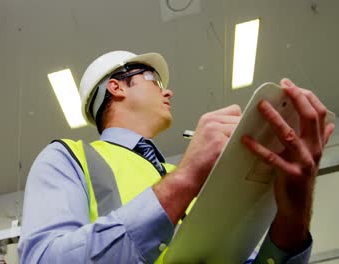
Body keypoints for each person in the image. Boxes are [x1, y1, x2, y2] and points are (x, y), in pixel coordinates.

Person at [18, 51, 335, 263]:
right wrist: (184, 180)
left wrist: (293, 216)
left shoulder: (193, 175)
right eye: (154, 81)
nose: (167, 92)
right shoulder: (69, 158)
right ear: (116, 87)